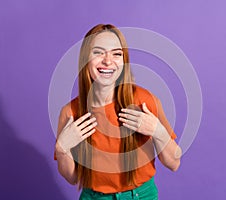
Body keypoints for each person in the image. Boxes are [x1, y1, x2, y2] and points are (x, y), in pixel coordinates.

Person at [54, 24, 182, 200]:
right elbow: (73, 178)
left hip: (141, 196)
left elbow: (174, 163)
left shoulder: (145, 100)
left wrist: (158, 131)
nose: (108, 61)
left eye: (116, 54)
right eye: (98, 52)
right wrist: (62, 150)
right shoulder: (70, 112)